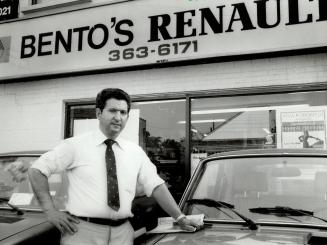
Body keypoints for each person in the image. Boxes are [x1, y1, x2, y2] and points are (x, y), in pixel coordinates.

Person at [28, 88, 202, 245]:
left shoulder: (134, 151)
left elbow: (156, 185)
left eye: (123, 112)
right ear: (98, 113)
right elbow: (37, 170)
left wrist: (179, 217)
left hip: (123, 232)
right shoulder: (75, 146)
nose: (118, 117)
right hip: (82, 232)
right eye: (112, 111)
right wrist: (50, 211)